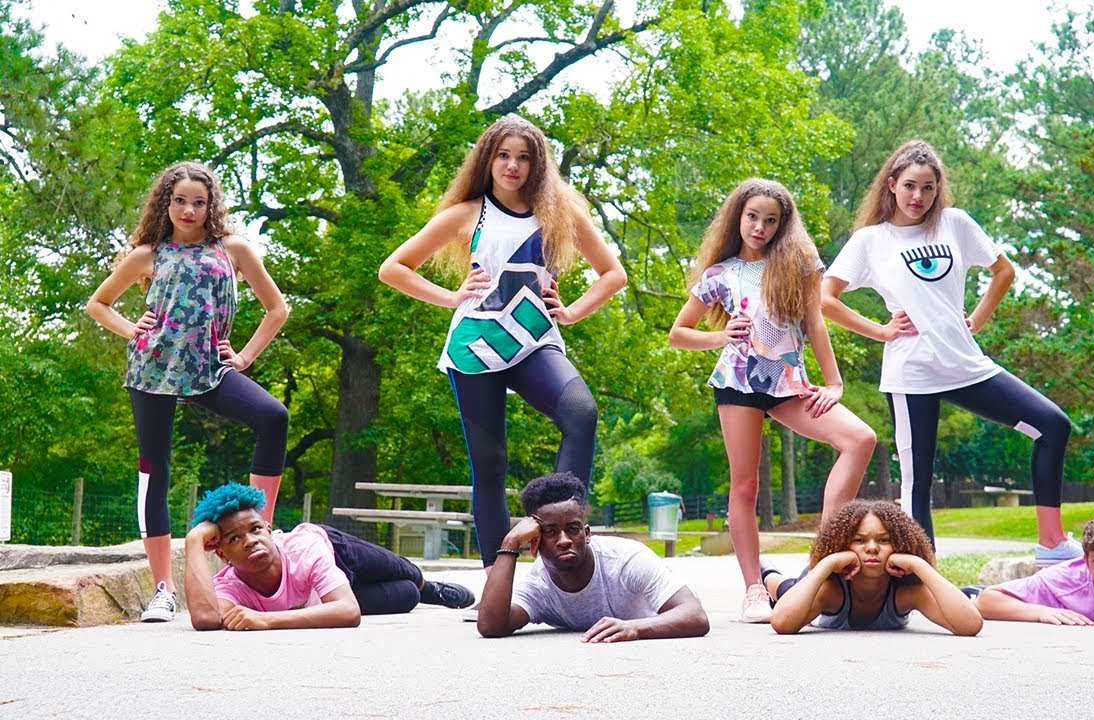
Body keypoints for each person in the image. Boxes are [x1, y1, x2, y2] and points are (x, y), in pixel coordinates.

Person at [379, 115, 626, 570]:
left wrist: (572, 311)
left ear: (537, 165)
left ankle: (557, 528)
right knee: (490, 465)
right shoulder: (466, 213)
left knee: (581, 413)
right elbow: (393, 268)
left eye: (524, 157)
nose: (513, 166)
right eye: (503, 155)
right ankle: (497, 574)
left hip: (534, 339)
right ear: (488, 160)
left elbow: (613, 274)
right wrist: (450, 297)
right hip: (475, 346)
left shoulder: (561, 213)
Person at [821, 140, 1080, 566]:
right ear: (892, 185)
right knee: (917, 481)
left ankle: (1051, 543)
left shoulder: (955, 223)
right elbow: (825, 298)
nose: (918, 196)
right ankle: (923, 576)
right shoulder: (871, 240)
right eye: (909, 186)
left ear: (937, 188)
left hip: (966, 365)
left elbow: (1004, 271)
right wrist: (882, 331)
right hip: (912, 371)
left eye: (928, 187)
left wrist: (975, 320)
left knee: (1052, 424)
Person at [86, 162, 290, 623]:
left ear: (210, 206)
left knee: (273, 417)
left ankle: (264, 531)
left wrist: (245, 356)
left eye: (199, 202)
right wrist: (130, 329)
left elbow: (277, 309)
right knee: (154, 472)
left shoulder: (233, 249)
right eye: (180, 201)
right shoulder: (148, 254)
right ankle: (163, 590)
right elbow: (98, 304)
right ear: (166, 203)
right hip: (153, 371)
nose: (189, 210)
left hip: (210, 369)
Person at [668, 178, 877, 623]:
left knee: (860, 439)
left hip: (789, 384)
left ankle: (823, 556)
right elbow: (678, 334)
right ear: (738, 217)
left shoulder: (799, 265)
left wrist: (834, 383)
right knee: (744, 485)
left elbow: (815, 324)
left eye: (770, 220)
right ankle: (753, 590)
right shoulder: (719, 274)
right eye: (752, 217)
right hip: (737, 383)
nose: (760, 227)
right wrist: (720, 337)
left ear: (782, 225)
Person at [184, 483, 475, 631]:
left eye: (255, 529)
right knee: (407, 595)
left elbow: (347, 611)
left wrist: (267, 620)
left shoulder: (303, 549)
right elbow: (207, 619)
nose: (250, 541)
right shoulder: (230, 585)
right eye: (234, 539)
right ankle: (419, 592)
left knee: (408, 573)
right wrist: (194, 539)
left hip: (336, 552)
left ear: (269, 530)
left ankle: (432, 589)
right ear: (221, 553)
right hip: (324, 597)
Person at [475, 472, 709, 642]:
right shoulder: (538, 585)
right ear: (535, 540)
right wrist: (510, 543)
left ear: (587, 534)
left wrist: (635, 628)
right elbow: (490, 626)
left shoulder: (627, 559)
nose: (564, 540)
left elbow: (694, 614)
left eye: (573, 529)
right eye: (550, 532)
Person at [765, 499, 982, 636]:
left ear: (900, 545)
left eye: (884, 540)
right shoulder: (832, 590)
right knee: (786, 588)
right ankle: (767, 574)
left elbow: (970, 624)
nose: (872, 548)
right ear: (843, 545)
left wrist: (919, 564)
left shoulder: (906, 593)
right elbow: (782, 622)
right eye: (859, 540)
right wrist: (827, 563)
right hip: (809, 584)